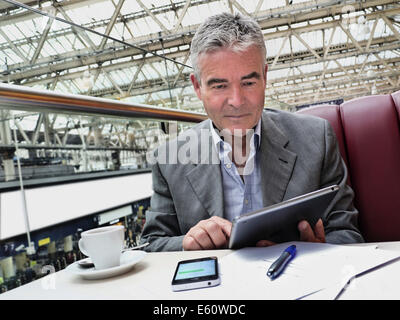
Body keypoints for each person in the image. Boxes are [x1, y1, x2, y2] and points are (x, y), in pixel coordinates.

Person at [140, 12, 364, 252]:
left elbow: (347, 233)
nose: (236, 101)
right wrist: (186, 244)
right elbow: (152, 244)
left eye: (248, 83)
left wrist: (319, 251)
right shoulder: (170, 160)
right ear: (197, 86)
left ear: (265, 77)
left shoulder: (317, 139)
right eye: (219, 85)